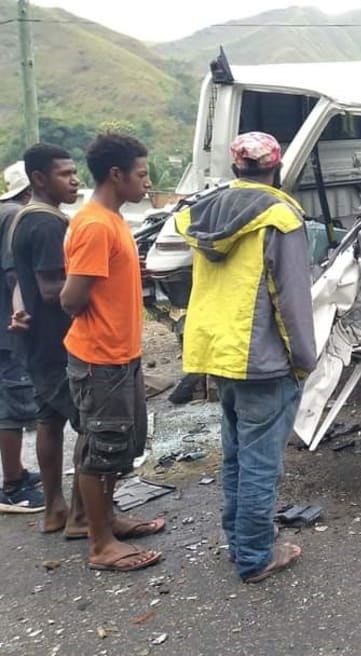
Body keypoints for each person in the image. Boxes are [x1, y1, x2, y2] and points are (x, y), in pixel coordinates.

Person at [176, 131, 316, 583]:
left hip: (218, 352)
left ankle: (240, 542)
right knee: (260, 462)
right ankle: (256, 557)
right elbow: (291, 298)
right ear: (275, 168)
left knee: (236, 457)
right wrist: (305, 358)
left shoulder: (205, 211)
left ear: (235, 167)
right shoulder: (280, 216)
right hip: (263, 358)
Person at [60, 133, 164, 572]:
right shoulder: (96, 225)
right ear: (116, 175)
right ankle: (100, 544)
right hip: (101, 356)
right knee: (103, 446)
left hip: (118, 353)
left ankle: (99, 519)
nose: (148, 182)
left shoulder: (113, 218)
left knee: (112, 443)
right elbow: (71, 298)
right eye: (141, 174)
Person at [9, 144, 85, 532]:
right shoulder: (46, 224)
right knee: (89, 423)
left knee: (49, 419)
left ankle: (55, 507)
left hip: (38, 340)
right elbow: (54, 289)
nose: (75, 180)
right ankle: (84, 514)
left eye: (74, 172)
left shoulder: (28, 218)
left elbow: (19, 279)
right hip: (57, 342)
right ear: (39, 179)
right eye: (64, 174)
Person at [0, 162, 42, 512]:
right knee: (14, 405)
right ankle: (13, 485)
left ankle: (18, 473)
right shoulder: (16, 216)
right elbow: (15, 275)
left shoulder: (4, 211)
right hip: (8, 328)